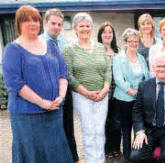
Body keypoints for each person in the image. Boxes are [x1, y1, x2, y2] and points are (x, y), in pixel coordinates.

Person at [2, 5, 73, 163]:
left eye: (35, 20)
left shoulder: (51, 47)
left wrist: (61, 96)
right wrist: (42, 102)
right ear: (18, 24)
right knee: (33, 155)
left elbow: (63, 74)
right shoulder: (12, 49)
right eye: (27, 20)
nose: (32, 23)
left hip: (54, 112)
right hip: (27, 116)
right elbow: (15, 84)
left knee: (56, 153)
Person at [63, 12, 112, 163]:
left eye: (88, 26)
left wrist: (104, 89)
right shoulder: (69, 49)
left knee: (99, 130)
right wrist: (86, 92)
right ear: (75, 28)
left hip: (102, 95)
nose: (85, 29)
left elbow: (107, 70)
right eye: (81, 26)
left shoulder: (99, 47)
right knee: (89, 131)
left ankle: (100, 160)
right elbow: (68, 74)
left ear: (92, 28)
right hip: (82, 96)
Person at [41, 8, 80, 163]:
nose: (56, 27)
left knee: (68, 127)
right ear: (45, 23)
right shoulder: (39, 43)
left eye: (59, 24)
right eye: (53, 23)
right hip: (47, 92)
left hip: (66, 91)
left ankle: (74, 158)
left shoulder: (65, 43)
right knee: (50, 129)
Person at [113, 28, 150, 161]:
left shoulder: (141, 57)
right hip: (124, 99)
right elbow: (118, 79)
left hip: (140, 99)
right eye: (131, 41)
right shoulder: (118, 58)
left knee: (139, 128)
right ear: (125, 42)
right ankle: (128, 157)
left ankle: (138, 155)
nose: (134, 44)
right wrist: (132, 91)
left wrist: (142, 93)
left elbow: (146, 76)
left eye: (136, 41)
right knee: (126, 129)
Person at [97, 21, 122, 160]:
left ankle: (116, 147)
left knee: (116, 122)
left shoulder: (118, 51)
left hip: (117, 93)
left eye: (110, 32)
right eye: (104, 32)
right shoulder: (96, 50)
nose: (107, 35)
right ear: (100, 35)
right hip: (103, 93)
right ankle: (106, 148)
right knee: (105, 122)